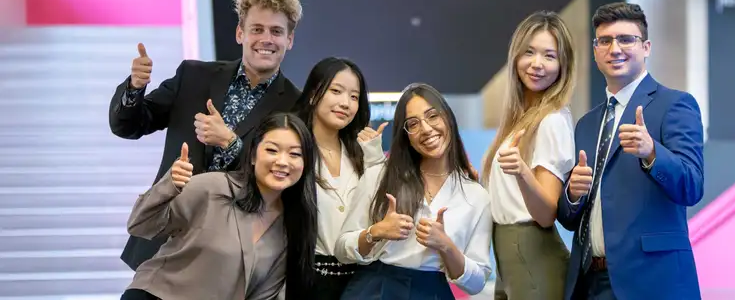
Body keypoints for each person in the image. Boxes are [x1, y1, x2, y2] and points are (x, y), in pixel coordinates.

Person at [109, 0, 304, 270]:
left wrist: (232, 143)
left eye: (276, 31)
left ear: (289, 40)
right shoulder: (194, 76)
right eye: (257, 29)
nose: (266, 39)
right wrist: (135, 87)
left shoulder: (296, 105)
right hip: (167, 240)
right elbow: (130, 126)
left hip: (236, 252)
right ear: (240, 33)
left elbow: (286, 180)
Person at [557, 2, 704, 300]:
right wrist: (572, 194)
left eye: (626, 39)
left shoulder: (675, 105)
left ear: (646, 47)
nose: (615, 48)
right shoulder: (586, 124)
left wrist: (652, 153)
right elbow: (571, 218)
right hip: (591, 283)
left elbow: (692, 186)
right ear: (596, 51)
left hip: (652, 283)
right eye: (605, 41)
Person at [120, 113, 318, 300]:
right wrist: (169, 185)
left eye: (295, 154)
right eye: (272, 150)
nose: (282, 162)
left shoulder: (292, 225)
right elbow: (140, 225)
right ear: (252, 156)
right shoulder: (213, 187)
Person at [335, 83, 493, 300]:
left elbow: (476, 283)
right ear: (405, 135)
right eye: (413, 124)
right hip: (375, 289)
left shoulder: (477, 196)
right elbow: (342, 249)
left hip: (432, 292)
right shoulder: (380, 176)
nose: (427, 129)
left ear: (448, 117)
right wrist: (376, 232)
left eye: (433, 116)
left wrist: (446, 246)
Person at [480, 11, 577, 300]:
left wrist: (522, 172)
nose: (537, 64)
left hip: (535, 259)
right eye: (529, 52)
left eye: (550, 56)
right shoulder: (520, 119)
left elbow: (546, 213)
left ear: (563, 65)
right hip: (509, 260)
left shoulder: (552, 120)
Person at [292, 57, 387, 298]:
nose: (345, 103)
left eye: (354, 97)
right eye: (336, 91)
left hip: (363, 283)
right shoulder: (294, 149)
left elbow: (385, 205)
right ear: (313, 94)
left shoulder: (362, 152)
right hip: (307, 282)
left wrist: (375, 159)